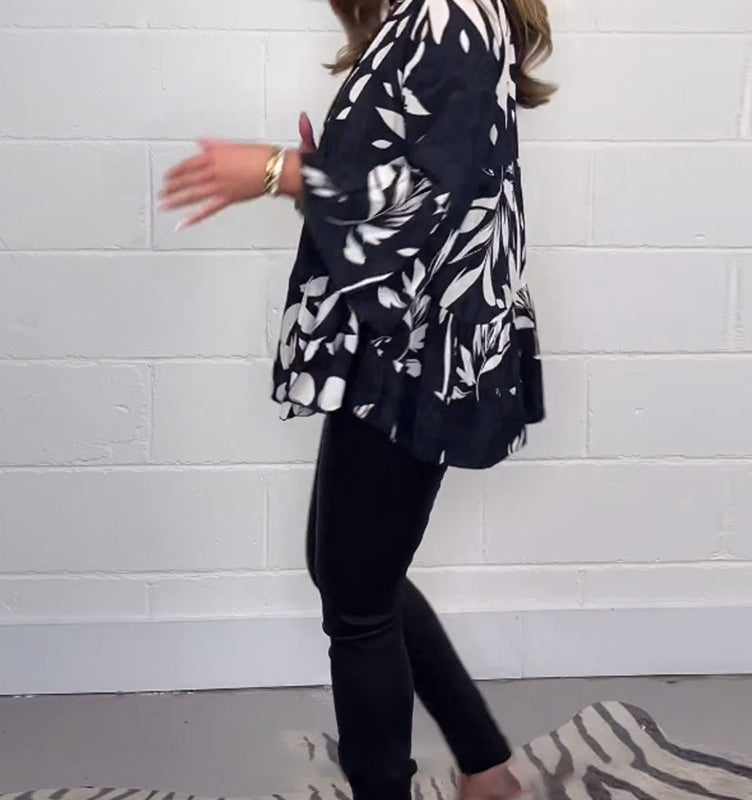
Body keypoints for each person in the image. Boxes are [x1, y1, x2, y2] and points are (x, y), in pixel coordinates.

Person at [159, 0, 554, 798]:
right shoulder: (437, 14)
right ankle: (487, 770)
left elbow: (426, 200)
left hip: (415, 346)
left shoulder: (448, 13)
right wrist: (328, 167)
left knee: (358, 599)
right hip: (405, 339)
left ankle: (439, 778)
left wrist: (276, 171)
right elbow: (421, 179)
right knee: (352, 575)